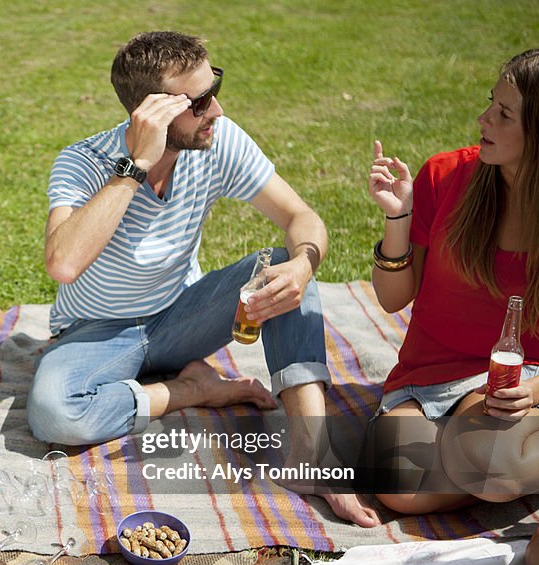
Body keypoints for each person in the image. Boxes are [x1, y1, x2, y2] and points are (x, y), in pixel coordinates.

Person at [26, 31, 381, 527]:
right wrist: (136, 165)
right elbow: (63, 263)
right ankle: (197, 389)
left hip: (182, 316)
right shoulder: (83, 162)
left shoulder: (219, 138)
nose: (216, 111)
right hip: (96, 332)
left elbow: (301, 217)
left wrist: (303, 263)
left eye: (214, 88)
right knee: (53, 413)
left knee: (282, 261)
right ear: (151, 114)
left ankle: (311, 455)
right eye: (200, 103)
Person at [365, 49, 539, 516]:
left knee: (490, 462)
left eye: (503, 114)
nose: (483, 118)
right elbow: (391, 297)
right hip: (430, 377)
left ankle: (498, 465)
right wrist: (397, 217)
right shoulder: (446, 175)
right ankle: (504, 475)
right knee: (397, 484)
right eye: (490, 103)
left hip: (520, 382)